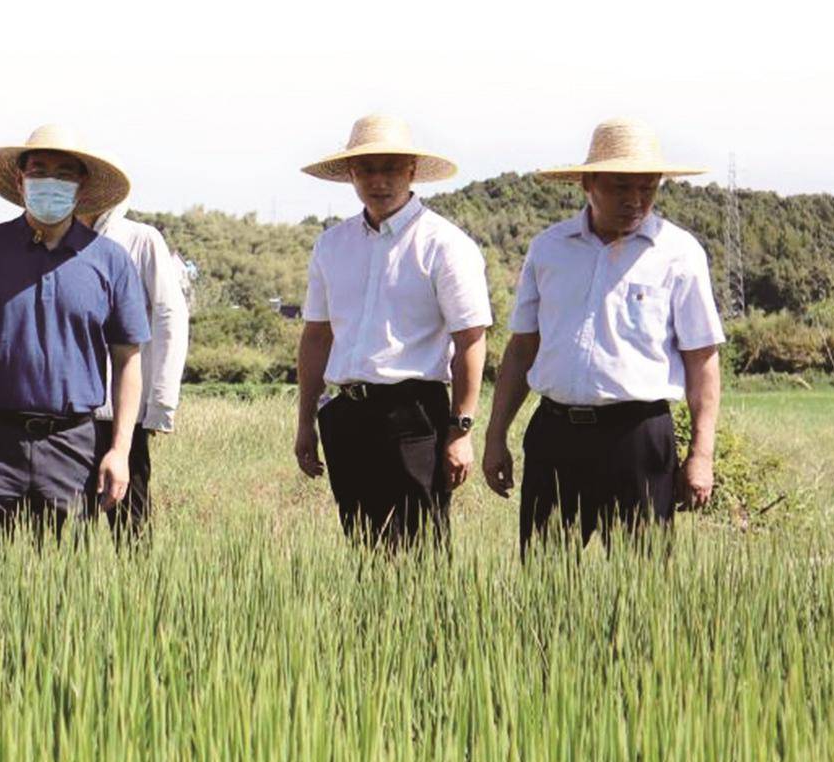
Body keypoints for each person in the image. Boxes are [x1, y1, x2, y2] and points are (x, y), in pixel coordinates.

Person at [483, 119, 725, 549]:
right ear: (587, 184)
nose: (635, 200)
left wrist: (701, 456)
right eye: (620, 187)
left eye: (647, 187)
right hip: (555, 434)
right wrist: (495, 435)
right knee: (546, 581)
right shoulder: (548, 248)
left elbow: (702, 360)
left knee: (641, 586)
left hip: (638, 439)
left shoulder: (679, 253)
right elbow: (522, 348)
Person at [0, 126, 149, 538]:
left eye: (65, 173)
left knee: (62, 586)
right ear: (20, 180)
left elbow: (128, 360)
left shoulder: (110, 261)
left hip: (72, 445)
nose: (51, 182)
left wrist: (120, 451)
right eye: (39, 171)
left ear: (81, 186)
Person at [292, 115, 491, 547]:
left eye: (389, 168)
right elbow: (316, 337)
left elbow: (471, 339)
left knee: (420, 550)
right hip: (345, 412)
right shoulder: (332, 245)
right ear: (351, 174)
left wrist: (462, 430)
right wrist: (306, 420)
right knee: (363, 547)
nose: (377, 180)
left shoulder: (444, 243)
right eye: (366, 169)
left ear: (411, 171)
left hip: (413, 412)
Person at [88, 202, 190, 539]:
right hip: (63, 414)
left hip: (122, 412)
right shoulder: (53, 240)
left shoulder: (140, 239)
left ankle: (139, 592)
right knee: (66, 529)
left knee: (131, 528)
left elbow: (169, 315)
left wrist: (161, 403)